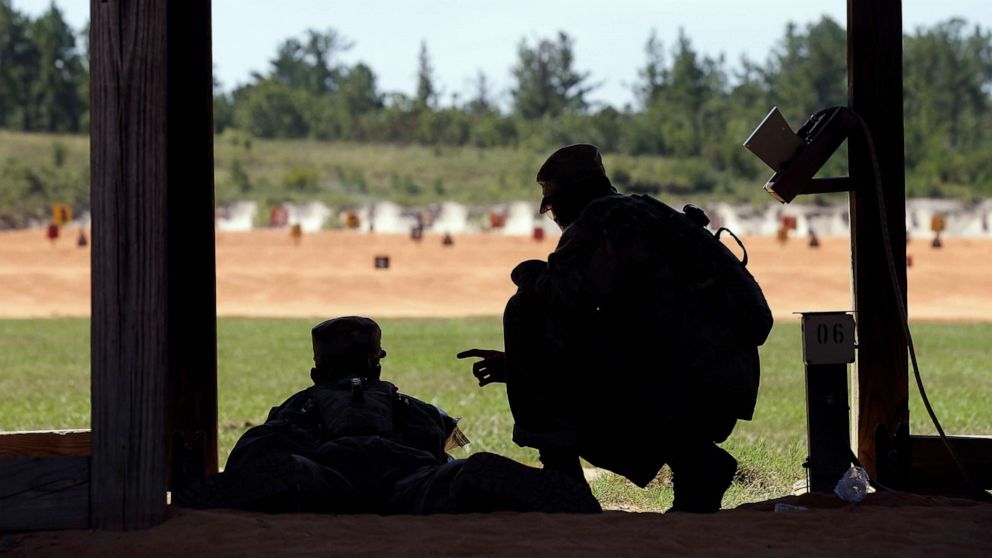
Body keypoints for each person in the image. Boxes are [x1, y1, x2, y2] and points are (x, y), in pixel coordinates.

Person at [459, 144, 772, 513]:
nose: (552, 216)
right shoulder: (647, 212)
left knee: (524, 308)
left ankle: (564, 481)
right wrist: (525, 368)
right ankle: (696, 463)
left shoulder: (601, 219)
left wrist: (527, 274)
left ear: (572, 198)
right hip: (717, 386)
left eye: (552, 204)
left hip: (683, 387)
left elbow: (562, 300)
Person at [175, 316, 599, 515]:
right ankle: (564, 497)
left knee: (288, 470)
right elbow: (445, 444)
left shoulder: (303, 402)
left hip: (331, 483)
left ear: (316, 372)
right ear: (378, 365)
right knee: (470, 472)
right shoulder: (409, 404)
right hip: (406, 484)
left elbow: (260, 448)